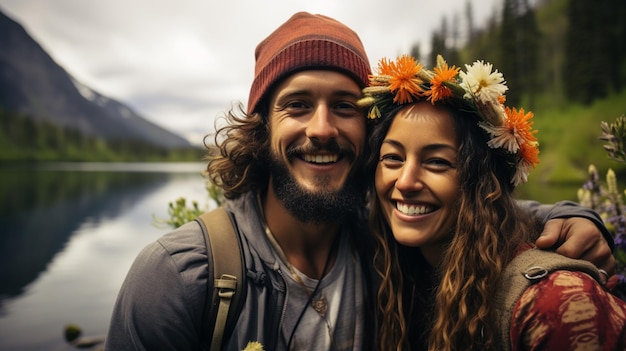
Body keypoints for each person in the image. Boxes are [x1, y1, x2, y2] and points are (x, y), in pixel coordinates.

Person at [104, 12, 616, 351]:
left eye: (344, 107)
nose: (322, 128)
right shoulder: (180, 279)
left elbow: (479, 218)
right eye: (298, 105)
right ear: (262, 130)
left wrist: (574, 215)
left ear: (366, 130)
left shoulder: (386, 244)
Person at [361, 54, 626, 351]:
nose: (406, 182)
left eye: (436, 162)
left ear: (484, 186)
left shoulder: (555, 305)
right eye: (393, 158)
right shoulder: (393, 265)